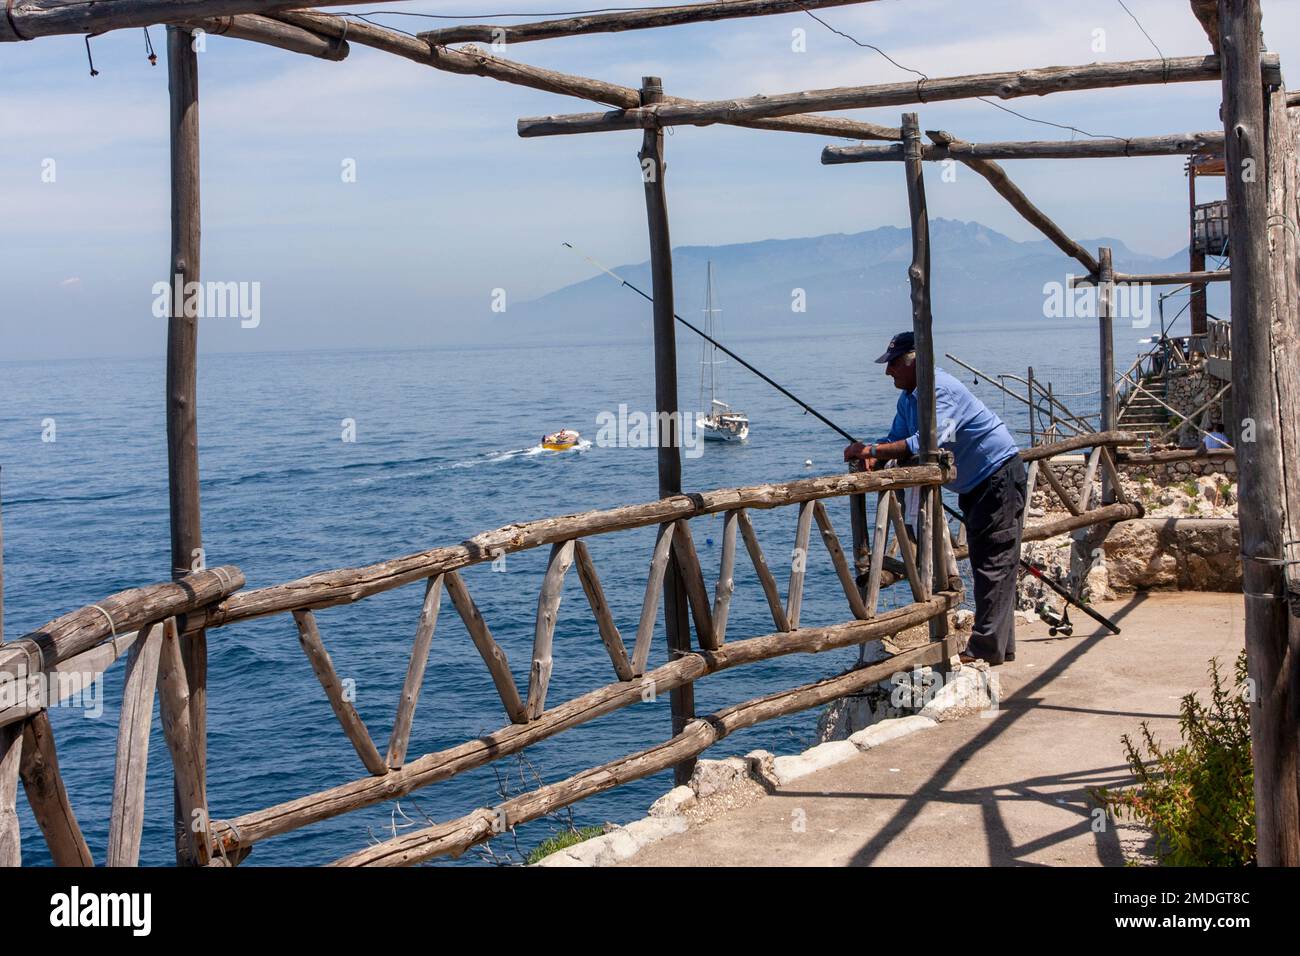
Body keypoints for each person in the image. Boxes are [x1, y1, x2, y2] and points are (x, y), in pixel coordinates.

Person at [844, 331, 1026, 665]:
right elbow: (896, 437)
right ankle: (1001, 647)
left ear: (915, 361)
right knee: (991, 561)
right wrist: (875, 455)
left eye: (894, 364)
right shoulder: (910, 397)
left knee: (994, 563)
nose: (889, 373)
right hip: (976, 485)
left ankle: (985, 649)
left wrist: (872, 450)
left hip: (998, 475)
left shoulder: (942, 389)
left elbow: (922, 444)